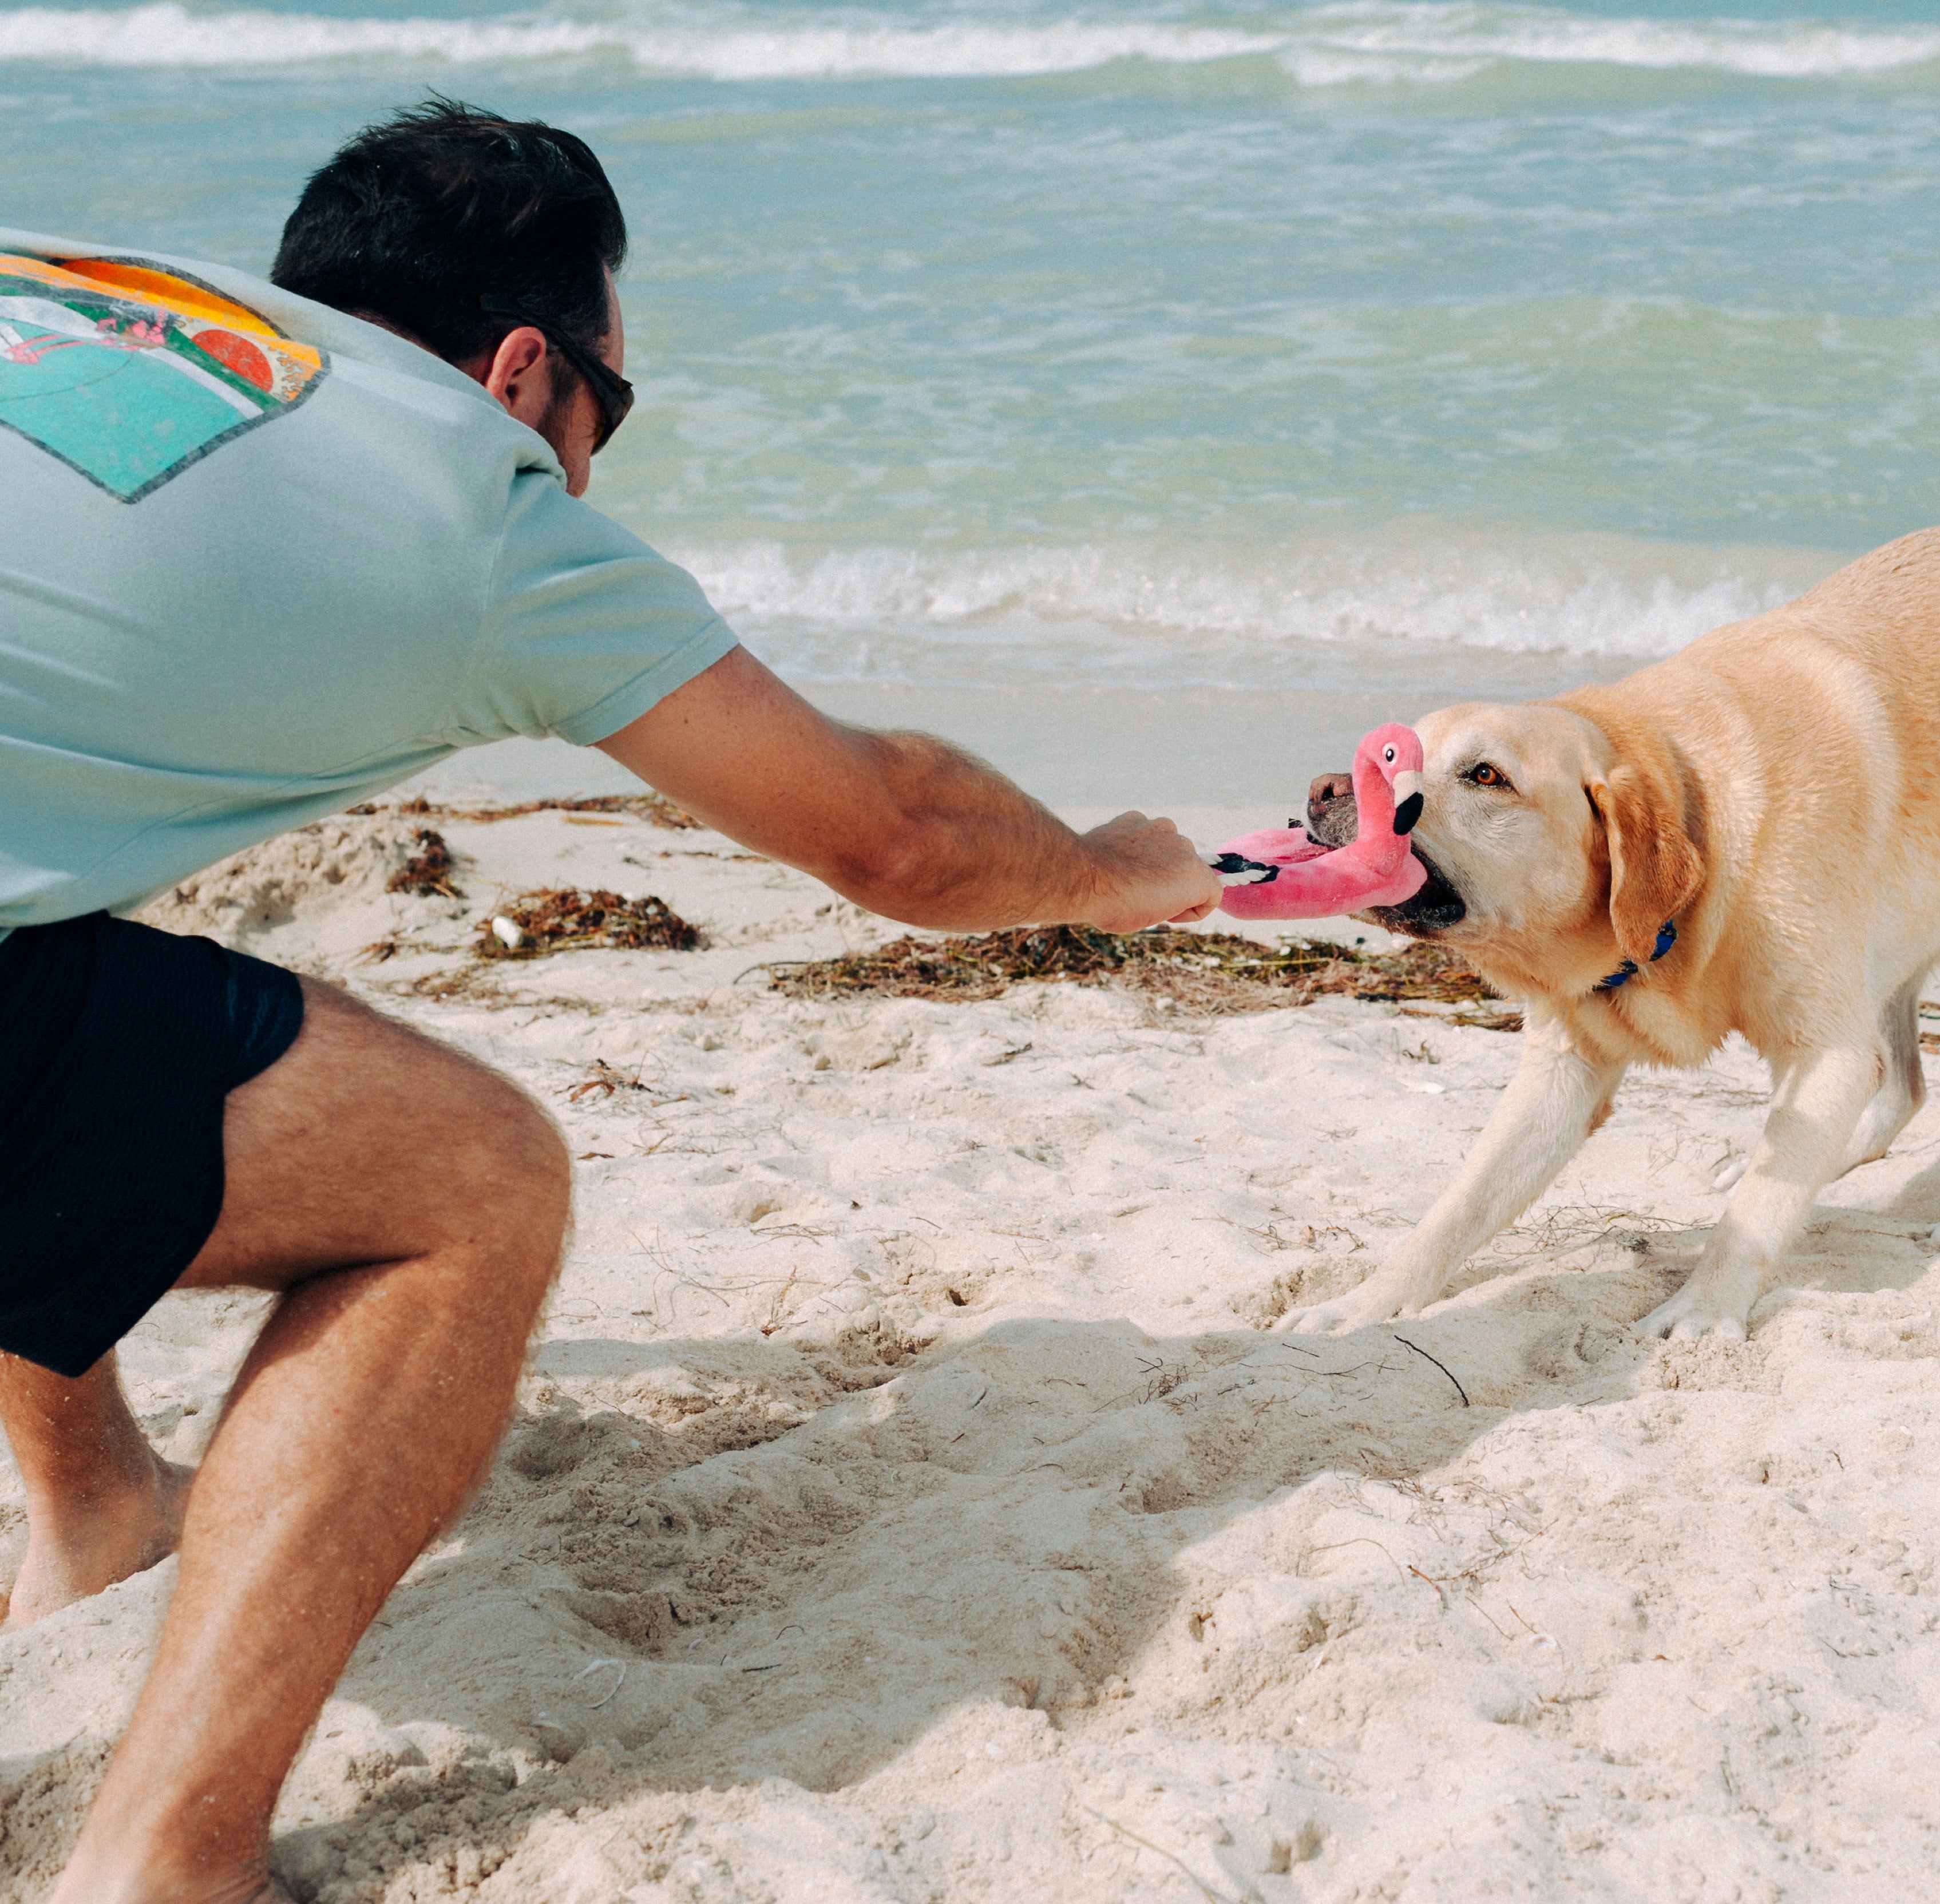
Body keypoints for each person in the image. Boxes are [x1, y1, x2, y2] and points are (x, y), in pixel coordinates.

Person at [0, 99, 1220, 1903]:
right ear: (521, 369)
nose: (593, 463)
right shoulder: (468, 504)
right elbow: (889, 835)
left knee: (108, 996)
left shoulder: (92, 293)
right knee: (465, 1186)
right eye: (610, 409)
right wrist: (1118, 870)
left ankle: (92, 1504)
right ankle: (167, 1861)